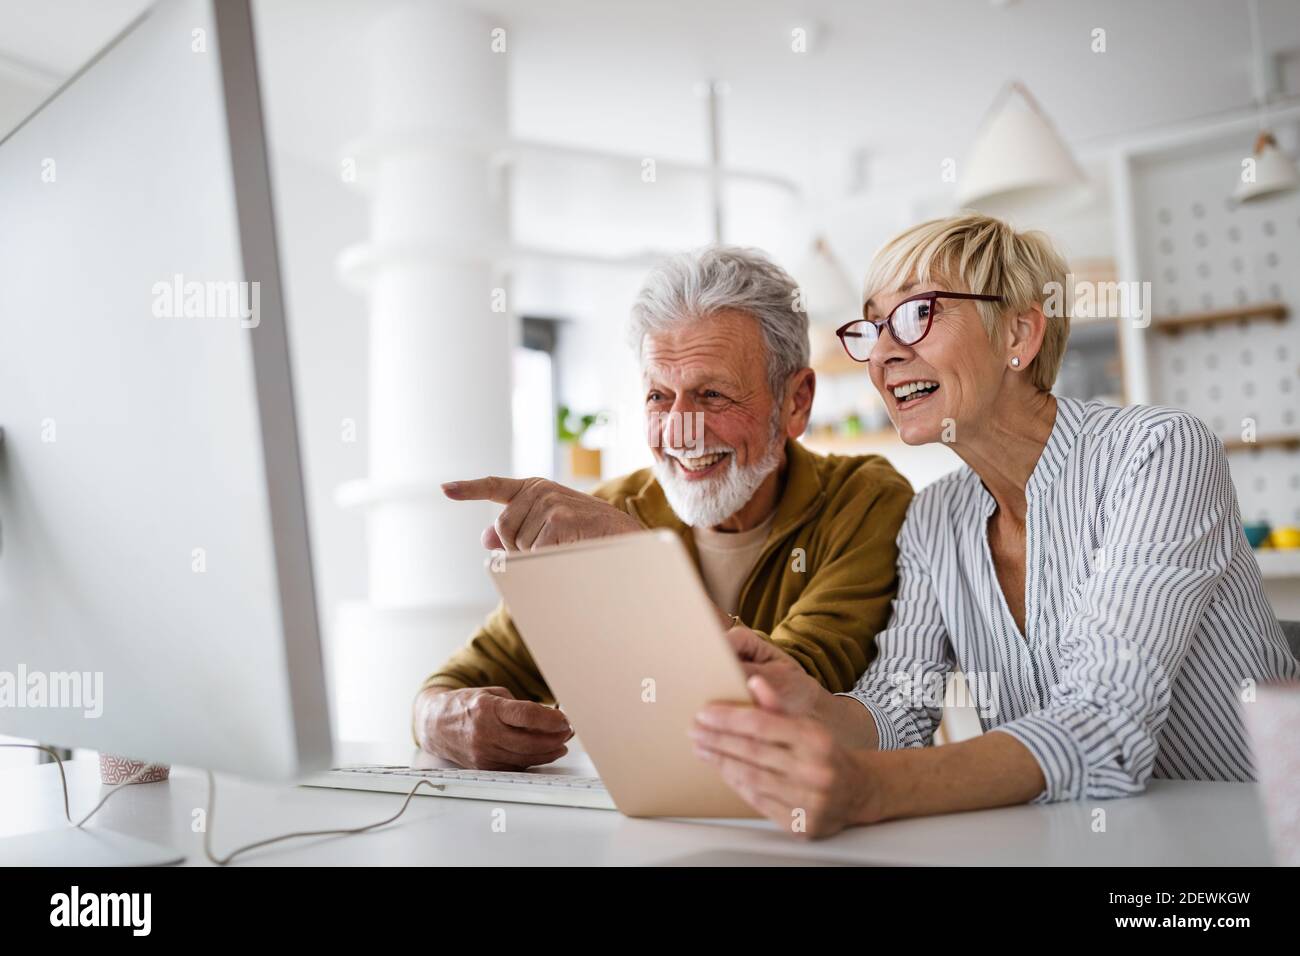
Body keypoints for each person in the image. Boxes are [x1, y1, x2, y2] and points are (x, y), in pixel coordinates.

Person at [691, 213, 1300, 838]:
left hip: (1252, 844)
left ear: (1020, 332)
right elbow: (899, 709)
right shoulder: (935, 518)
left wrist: (869, 788)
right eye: (873, 327)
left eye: (917, 314)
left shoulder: (1156, 452)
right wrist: (809, 704)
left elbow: (1104, 723)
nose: (883, 352)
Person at [414, 246, 913, 771]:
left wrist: (635, 560)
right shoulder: (609, 510)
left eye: (712, 394)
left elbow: (797, 690)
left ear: (796, 402)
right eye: (658, 397)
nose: (678, 431)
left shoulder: (865, 500)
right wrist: (442, 721)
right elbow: (458, 681)